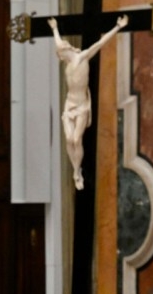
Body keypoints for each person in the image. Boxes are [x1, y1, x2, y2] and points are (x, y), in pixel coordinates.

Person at [47, 14, 128, 190]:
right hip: (70, 104)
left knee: (76, 139)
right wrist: (54, 28)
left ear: (67, 51)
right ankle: (75, 170)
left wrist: (118, 27)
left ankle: (77, 172)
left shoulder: (82, 57)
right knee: (69, 139)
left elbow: (100, 44)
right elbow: (58, 42)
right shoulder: (68, 64)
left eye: (61, 53)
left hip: (82, 105)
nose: (60, 56)